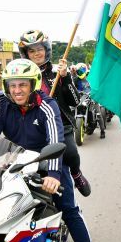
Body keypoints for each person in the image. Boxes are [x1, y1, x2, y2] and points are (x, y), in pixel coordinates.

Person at [0, 59, 100, 242]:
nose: (17, 90)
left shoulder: (47, 104)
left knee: (68, 208)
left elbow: (56, 139)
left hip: (46, 162)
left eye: (22, 85)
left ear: (33, 84)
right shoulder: (1, 106)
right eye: (12, 85)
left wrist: (54, 174)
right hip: (15, 162)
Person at [17, 30, 92, 196]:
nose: (36, 54)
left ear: (46, 49)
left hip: (60, 125)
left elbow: (74, 101)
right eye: (31, 50)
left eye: (39, 49)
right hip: (32, 125)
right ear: (25, 53)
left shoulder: (57, 72)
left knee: (71, 152)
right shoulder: (21, 75)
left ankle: (76, 173)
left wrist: (65, 78)